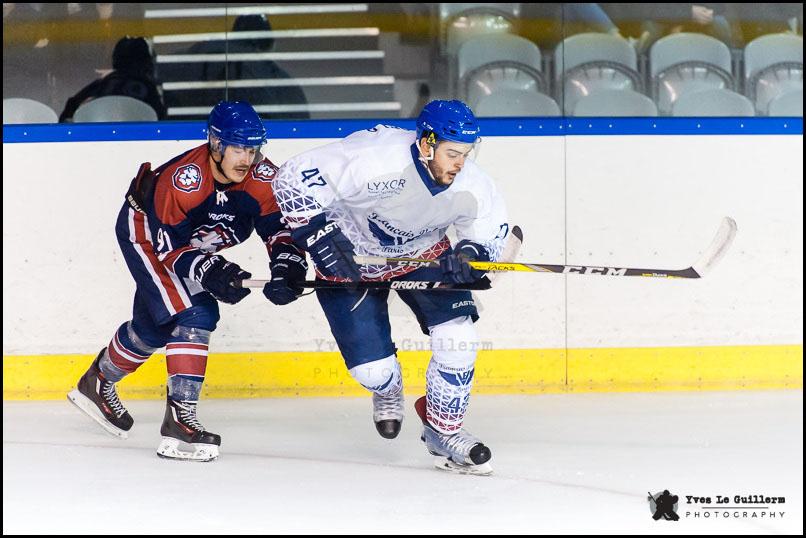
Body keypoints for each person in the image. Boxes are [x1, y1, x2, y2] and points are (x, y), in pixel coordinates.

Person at [273, 100, 509, 475]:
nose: (460, 164)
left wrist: (471, 254)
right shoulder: (374, 157)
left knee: (460, 339)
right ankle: (388, 389)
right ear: (427, 144)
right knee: (372, 372)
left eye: (466, 153)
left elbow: (488, 232)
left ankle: (443, 432)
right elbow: (291, 177)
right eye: (452, 153)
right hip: (351, 257)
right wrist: (321, 237)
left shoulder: (473, 184)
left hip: (423, 254)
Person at [67, 101, 307, 462]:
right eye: (238, 149)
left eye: (253, 149)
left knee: (154, 328)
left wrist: (288, 264)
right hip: (147, 235)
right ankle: (180, 419)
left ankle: (98, 381)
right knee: (196, 313)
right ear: (216, 144)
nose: (247, 158)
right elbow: (171, 249)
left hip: (185, 243)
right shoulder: (184, 181)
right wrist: (211, 271)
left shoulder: (262, 177)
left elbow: (277, 229)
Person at [162, 14, 309, 120]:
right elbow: (295, 124)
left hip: (188, 133)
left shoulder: (196, 54)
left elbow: (162, 76)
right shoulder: (273, 77)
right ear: (267, 47)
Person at [59, 36, 167, 122]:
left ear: (115, 59)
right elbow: (161, 122)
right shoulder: (149, 89)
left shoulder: (100, 86)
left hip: (100, 139)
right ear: (146, 61)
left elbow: (67, 115)